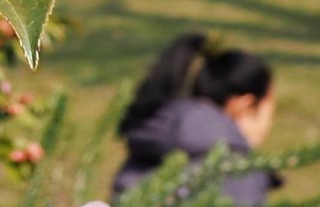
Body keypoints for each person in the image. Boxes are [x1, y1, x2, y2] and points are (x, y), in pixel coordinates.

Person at [112, 32, 277, 204]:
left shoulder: (154, 138)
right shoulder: (236, 172)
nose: (269, 125)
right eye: (270, 113)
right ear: (244, 106)